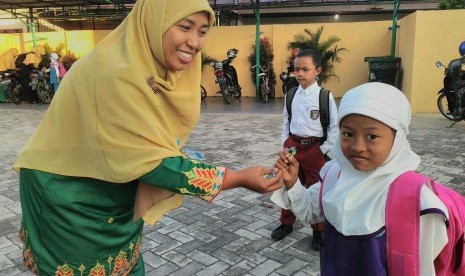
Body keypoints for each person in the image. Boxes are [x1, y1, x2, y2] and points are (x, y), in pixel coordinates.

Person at [13, 1, 284, 275]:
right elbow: (153, 163)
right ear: (154, 22)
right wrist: (238, 178)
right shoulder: (114, 73)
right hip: (69, 194)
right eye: (185, 27)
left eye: (203, 31)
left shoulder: (147, 69)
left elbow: (151, 145)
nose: (194, 42)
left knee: (125, 264)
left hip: (112, 186)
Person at [271, 82, 448, 275]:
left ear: (397, 138)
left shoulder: (417, 201)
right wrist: (293, 183)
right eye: (348, 134)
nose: (357, 146)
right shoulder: (334, 174)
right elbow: (309, 212)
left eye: (372, 136)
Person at [271, 49, 338, 251]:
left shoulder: (324, 96)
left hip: (314, 149)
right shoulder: (291, 94)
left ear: (317, 70)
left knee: (315, 189)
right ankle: (286, 223)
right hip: (293, 147)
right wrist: (286, 142)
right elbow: (286, 120)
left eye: (305, 69)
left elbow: (334, 127)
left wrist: (323, 150)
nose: (300, 74)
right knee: (288, 184)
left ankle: (318, 230)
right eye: (296, 69)